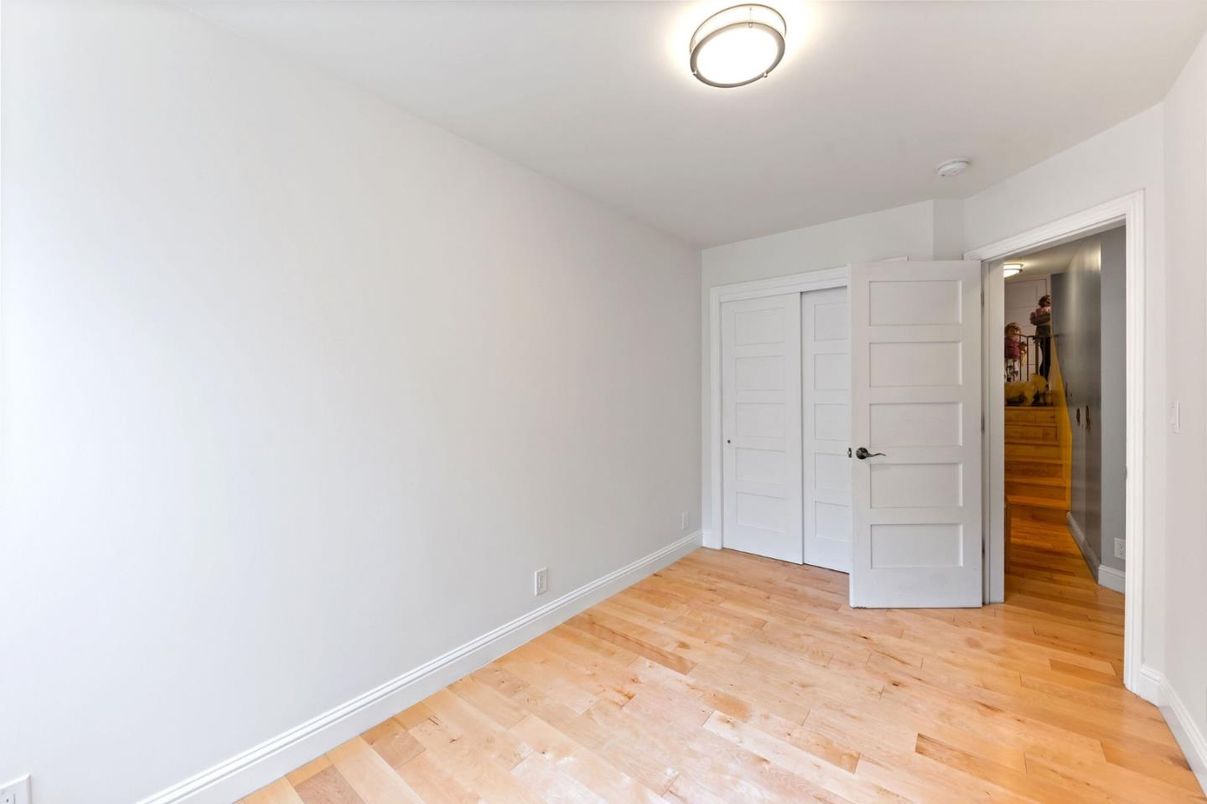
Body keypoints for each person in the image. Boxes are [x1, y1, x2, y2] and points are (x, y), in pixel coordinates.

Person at [1030, 294, 1052, 380]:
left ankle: (1044, 378)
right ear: (1042, 302)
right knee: (1047, 359)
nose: (1049, 301)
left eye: (1050, 300)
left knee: (1047, 359)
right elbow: (1037, 321)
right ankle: (1043, 378)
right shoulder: (1040, 310)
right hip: (1045, 336)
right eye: (1047, 300)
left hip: (1048, 336)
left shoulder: (1046, 310)